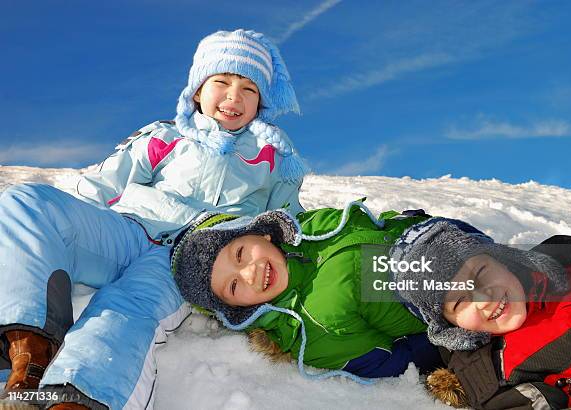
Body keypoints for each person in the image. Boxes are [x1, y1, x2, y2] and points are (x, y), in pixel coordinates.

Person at [0, 29, 305, 410]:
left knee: (128, 306)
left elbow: (290, 224)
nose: (233, 97)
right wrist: (73, 224)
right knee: (28, 202)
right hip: (126, 230)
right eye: (222, 82)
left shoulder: (273, 157)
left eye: (249, 89)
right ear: (197, 91)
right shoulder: (166, 136)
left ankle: (78, 400)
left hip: (187, 258)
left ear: (260, 102)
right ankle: (28, 355)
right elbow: (103, 186)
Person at [172, 201, 444, 383]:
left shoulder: (314, 226)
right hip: (455, 303)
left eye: (240, 254)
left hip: (445, 239)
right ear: (236, 309)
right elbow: (389, 361)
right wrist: (443, 344)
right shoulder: (311, 328)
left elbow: (372, 227)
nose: (249, 274)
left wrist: (404, 223)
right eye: (233, 286)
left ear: (259, 233)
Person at [390, 218, 571, 409]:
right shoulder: (492, 376)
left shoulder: (564, 270)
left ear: (502, 260)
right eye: (459, 302)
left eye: (480, 273)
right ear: (449, 327)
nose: (484, 299)